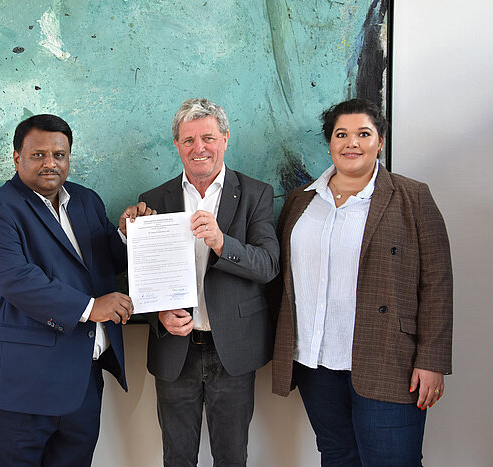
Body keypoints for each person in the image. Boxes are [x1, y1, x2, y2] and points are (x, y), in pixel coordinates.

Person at [272, 98, 453, 466]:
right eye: (342, 134)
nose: (351, 142)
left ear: (380, 141)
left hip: (389, 359)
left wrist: (432, 360)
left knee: (392, 460)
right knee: (337, 456)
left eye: (363, 134)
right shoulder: (300, 202)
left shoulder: (412, 197)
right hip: (315, 360)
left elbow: (437, 283)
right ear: (329, 143)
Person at [0, 114, 144, 466]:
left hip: (80, 383)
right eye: (38, 155)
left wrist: (126, 235)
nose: (50, 163)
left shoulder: (86, 201)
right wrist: (91, 307)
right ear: (17, 158)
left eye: (59, 155)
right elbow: (19, 280)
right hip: (19, 390)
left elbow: (104, 261)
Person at [121, 98, 280, 466]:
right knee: (177, 457)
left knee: (231, 456)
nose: (199, 148)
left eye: (207, 137)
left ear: (225, 139)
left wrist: (223, 243)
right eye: (188, 140)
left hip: (233, 350)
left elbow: (269, 265)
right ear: (176, 144)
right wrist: (158, 313)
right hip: (176, 350)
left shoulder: (256, 194)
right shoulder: (153, 200)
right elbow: (141, 279)